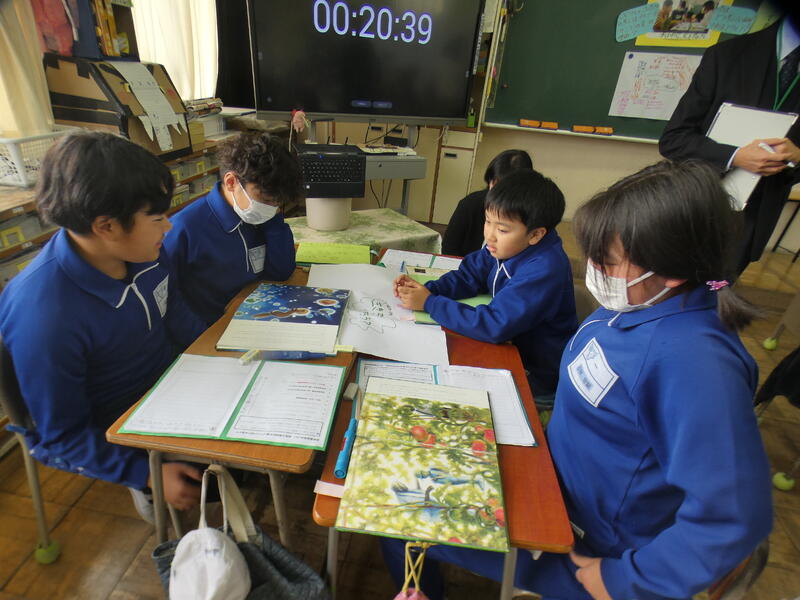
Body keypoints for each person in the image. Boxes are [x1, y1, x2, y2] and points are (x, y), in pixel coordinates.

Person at [382, 160, 772, 600]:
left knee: (397, 522)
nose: (590, 268)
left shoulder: (696, 363)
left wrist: (625, 580)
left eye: (606, 260)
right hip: (551, 478)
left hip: (584, 545)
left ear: (671, 269)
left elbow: (733, 516)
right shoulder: (635, 305)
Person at [0, 132, 208, 518]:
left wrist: (217, 348)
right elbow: (61, 437)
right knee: (211, 480)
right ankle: (146, 487)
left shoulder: (142, 251)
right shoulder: (44, 315)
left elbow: (173, 309)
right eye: (157, 218)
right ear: (106, 226)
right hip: (117, 424)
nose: (168, 228)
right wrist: (146, 473)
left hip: (171, 384)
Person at [394, 169, 577, 404]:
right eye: (488, 221)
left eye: (502, 229)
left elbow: (495, 324)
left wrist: (429, 303)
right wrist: (428, 289)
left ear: (535, 235)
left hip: (534, 372)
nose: (490, 235)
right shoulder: (507, 246)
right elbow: (469, 275)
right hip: (509, 345)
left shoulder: (544, 268)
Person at [660, 13, 800, 275]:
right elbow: (674, 140)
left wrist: (797, 156)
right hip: (697, 204)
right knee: (669, 283)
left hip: (752, 221)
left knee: (718, 288)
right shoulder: (726, 56)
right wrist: (735, 156)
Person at [163, 132, 301, 325]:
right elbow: (166, 301)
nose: (272, 208)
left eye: (278, 202)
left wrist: (274, 221)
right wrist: (202, 335)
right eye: (266, 200)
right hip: (209, 328)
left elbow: (282, 272)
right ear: (231, 182)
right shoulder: (183, 228)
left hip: (255, 315)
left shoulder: (262, 216)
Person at [441, 149, 533, 257]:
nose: (498, 194)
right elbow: (449, 246)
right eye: (494, 184)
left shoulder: (530, 212)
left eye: (503, 229)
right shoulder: (470, 204)